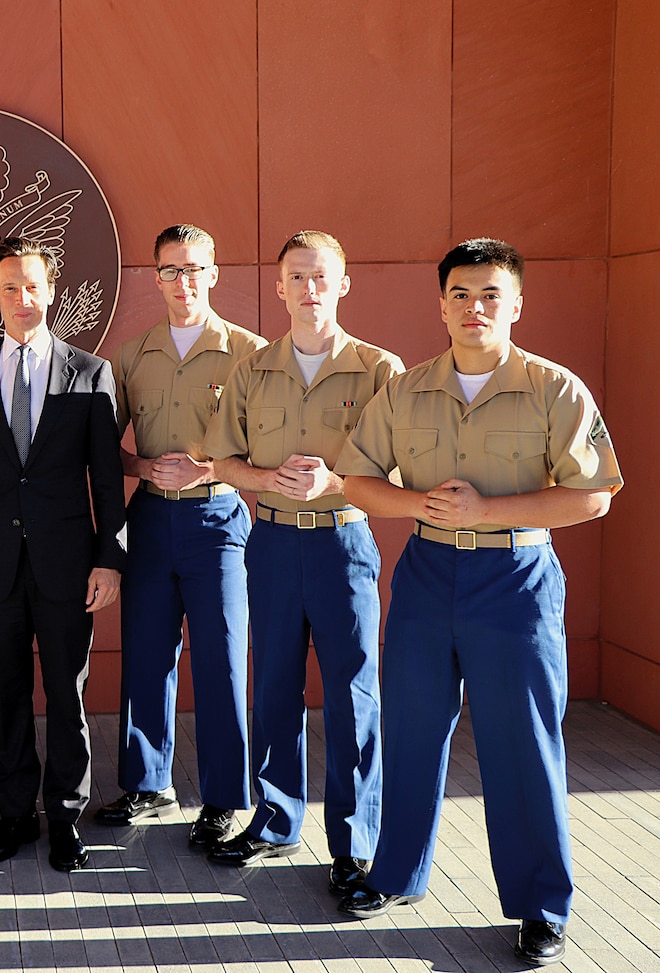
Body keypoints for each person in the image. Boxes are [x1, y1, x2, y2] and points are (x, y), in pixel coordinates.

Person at [335, 239, 620, 966]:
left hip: (516, 579)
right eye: (461, 294)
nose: (475, 307)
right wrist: (421, 503)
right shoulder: (405, 389)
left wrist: (490, 511)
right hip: (428, 573)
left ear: (517, 303)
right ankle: (396, 873)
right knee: (413, 728)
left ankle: (540, 905)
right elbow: (356, 479)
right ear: (441, 304)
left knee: (521, 744)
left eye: (491, 294)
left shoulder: (557, 389)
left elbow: (592, 495)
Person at [204, 230, 402, 896]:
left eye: (322, 278)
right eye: (297, 277)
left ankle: (356, 843)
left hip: (343, 543)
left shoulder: (381, 370)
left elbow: (401, 469)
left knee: (353, 694)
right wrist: (264, 478)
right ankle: (276, 818)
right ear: (279, 285)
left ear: (343, 285)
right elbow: (222, 460)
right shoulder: (253, 369)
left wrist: (335, 484)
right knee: (274, 684)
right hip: (273, 543)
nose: (310, 289)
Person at [0, 237, 126, 872]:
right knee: (9, 692)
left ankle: (66, 818)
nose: (23, 299)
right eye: (10, 288)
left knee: (67, 693)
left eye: (33, 286)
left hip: (69, 565)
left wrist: (110, 558)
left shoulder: (91, 372)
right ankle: (14, 814)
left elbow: (106, 479)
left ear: (52, 292)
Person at [98, 224, 265, 846]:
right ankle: (149, 784)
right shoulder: (132, 355)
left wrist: (212, 468)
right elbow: (101, 450)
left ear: (214, 272)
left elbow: (269, 450)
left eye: (194, 269)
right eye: (170, 270)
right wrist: (141, 467)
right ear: (156, 276)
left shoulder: (252, 353)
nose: (183, 281)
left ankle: (224, 798)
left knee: (222, 660)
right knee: (145, 651)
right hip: (149, 517)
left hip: (217, 520)